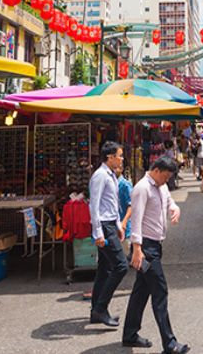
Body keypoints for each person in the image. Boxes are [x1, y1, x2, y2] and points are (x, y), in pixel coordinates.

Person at [123, 157, 189, 354]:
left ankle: (129, 334)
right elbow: (136, 219)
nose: (166, 180)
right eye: (166, 176)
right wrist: (136, 249)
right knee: (160, 292)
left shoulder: (161, 187)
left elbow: (170, 202)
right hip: (146, 248)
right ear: (157, 170)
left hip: (155, 246)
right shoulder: (142, 188)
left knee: (141, 292)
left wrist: (175, 209)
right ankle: (170, 344)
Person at [88, 140, 128, 327]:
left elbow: (112, 204)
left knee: (104, 269)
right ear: (110, 157)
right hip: (104, 226)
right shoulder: (100, 176)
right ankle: (101, 308)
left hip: (111, 224)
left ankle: (96, 310)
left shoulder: (111, 175)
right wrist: (98, 233)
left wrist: (119, 225)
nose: (121, 159)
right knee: (121, 266)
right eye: (119, 155)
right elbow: (94, 205)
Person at [118, 164, 133, 245]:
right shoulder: (110, 182)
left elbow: (131, 205)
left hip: (125, 228)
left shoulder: (125, 184)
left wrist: (124, 222)